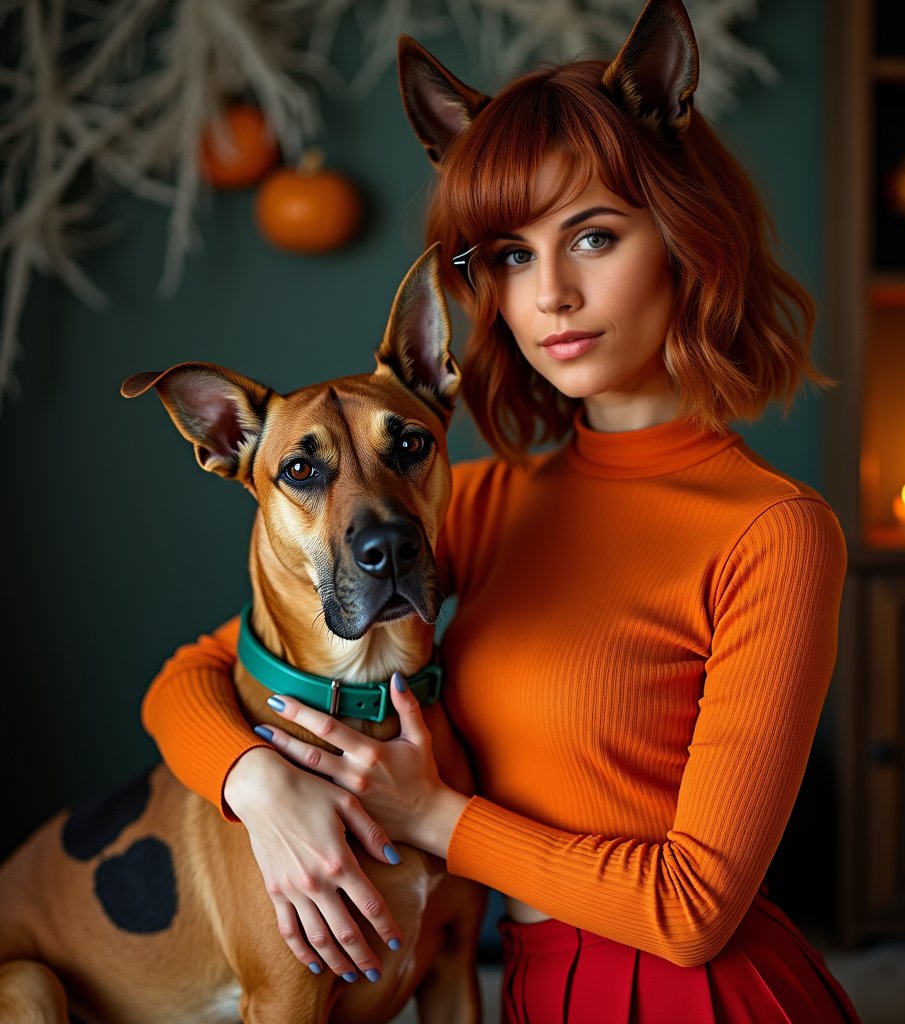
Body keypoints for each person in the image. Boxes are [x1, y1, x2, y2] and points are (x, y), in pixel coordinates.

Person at [141, 0, 860, 1019]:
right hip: (518, 992)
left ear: (684, 235)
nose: (550, 294)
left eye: (593, 235)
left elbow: (693, 908)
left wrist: (433, 814)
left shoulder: (774, 531)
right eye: (511, 256)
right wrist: (262, 789)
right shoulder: (478, 506)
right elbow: (188, 680)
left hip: (693, 998)